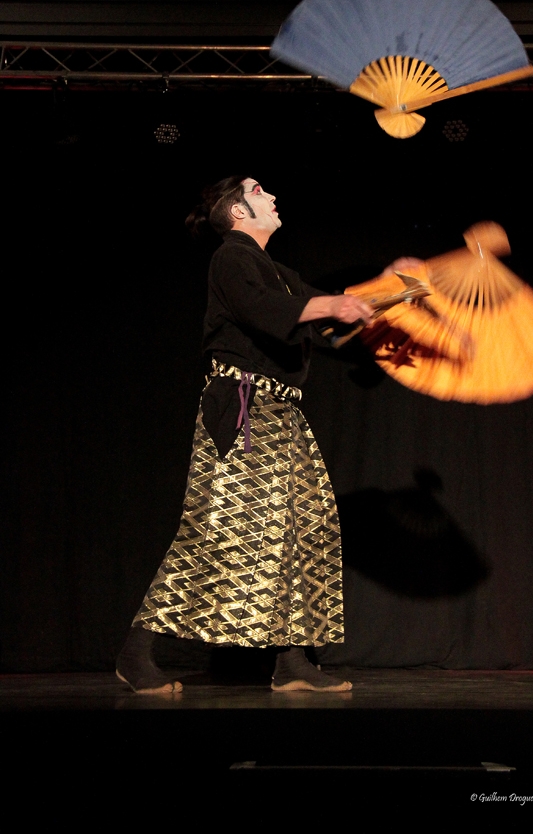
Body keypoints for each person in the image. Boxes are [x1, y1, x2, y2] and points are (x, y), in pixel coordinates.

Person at [115, 175, 376, 694]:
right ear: (237, 210)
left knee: (304, 526)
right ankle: (136, 653)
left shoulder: (278, 271)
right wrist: (332, 307)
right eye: (260, 190)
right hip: (242, 408)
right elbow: (266, 313)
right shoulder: (232, 258)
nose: (274, 195)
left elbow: (329, 319)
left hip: (282, 413)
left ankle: (293, 662)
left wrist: (391, 290)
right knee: (217, 530)